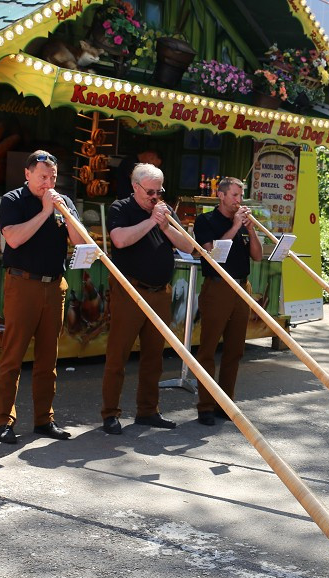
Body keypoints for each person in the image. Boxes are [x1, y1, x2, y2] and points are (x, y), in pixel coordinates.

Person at [0, 151, 90, 444]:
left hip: (54, 286)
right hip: (23, 284)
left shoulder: (64, 202)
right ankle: (3, 421)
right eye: (42, 177)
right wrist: (46, 212)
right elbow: (13, 238)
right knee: (13, 356)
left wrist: (64, 213)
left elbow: (82, 242)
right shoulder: (13, 200)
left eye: (53, 177)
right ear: (28, 174)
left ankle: (43, 419)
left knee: (48, 358)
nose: (48, 183)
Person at [100, 162, 195, 435]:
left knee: (154, 356)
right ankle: (110, 414)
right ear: (135, 187)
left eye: (159, 191)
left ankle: (148, 411)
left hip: (159, 292)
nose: (155, 197)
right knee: (118, 355)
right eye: (150, 192)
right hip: (130, 291)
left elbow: (189, 247)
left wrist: (165, 226)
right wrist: (151, 221)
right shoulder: (121, 208)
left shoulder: (165, 211)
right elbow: (119, 240)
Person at [194, 177, 264, 426]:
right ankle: (205, 405)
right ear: (221, 195)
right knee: (209, 348)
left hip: (241, 286)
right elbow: (213, 255)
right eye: (234, 195)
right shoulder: (206, 221)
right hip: (218, 286)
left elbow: (257, 256)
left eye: (240, 195)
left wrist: (251, 228)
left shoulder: (244, 222)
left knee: (235, 349)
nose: (239, 200)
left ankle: (225, 402)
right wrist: (235, 227)